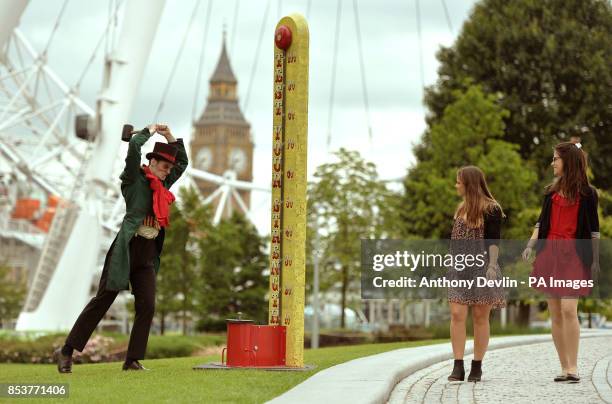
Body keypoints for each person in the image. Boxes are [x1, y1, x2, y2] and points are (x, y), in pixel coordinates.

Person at [53, 124, 188, 372]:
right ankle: (66, 351)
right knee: (103, 300)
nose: (169, 171)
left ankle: (132, 360)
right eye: (165, 166)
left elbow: (183, 163)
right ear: (153, 162)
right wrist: (149, 130)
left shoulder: (163, 186)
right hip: (126, 249)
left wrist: (169, 137)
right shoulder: (133, 178)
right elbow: (135, 146)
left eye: (170, 168)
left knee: (147, 305)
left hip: (147, 253)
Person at [522, 141, 600, 383]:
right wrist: (530, 245)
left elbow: (594, 231)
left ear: (569, 161)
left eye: (556, 158)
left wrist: (595, 260)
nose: (552, 163)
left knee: (568, 309)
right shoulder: (550, 193)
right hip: (549, 255)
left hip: (574, 256)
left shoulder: (588, 194)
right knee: (555, 312)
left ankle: (574, 367)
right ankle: (565, 367)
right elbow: (540, 223)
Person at [447, 166, 506, 382]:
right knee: (457, 314)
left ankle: (477, 365)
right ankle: (458, 365)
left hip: (483, 268)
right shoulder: (460, 209)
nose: (456, 185)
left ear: (468, 184)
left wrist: (491, 266)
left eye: (459, 182)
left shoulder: (492, 209)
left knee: (481, 317)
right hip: (459, 268)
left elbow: (493, 240)